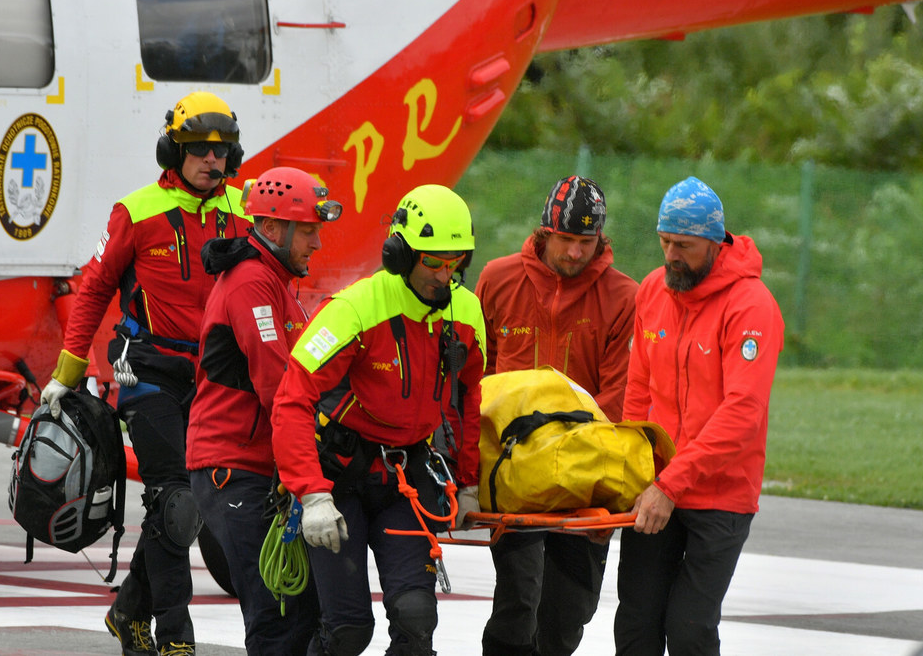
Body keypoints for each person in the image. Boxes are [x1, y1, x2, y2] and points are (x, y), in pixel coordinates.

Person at [39, 91, 248, 656]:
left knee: (188, 504)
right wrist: (68, 370)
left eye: (222, 151)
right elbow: (92, 291)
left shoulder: (245, 219)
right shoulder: (135, 212)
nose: (212, 161)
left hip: (213, 379)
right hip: (145, 371)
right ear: (171, 150)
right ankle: (176, 637)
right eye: (199, 150)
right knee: (176, 499)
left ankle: (129, 608)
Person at [270, 184, 486, 656]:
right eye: (433, 262)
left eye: (456, 262)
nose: (445, 274)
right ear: (399, 254)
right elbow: (292, 397)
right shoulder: (353, 309)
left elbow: (469, 399)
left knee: (416, 620)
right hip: (339, 481)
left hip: (406, 481)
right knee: (347, 631)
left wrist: (468, 482)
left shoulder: (467, 312)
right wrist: (311, 492)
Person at [614, 176, 784, 656]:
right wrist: (633, 470)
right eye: (664, 242)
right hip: (656, 487)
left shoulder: (752, 307)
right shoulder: (652, 290)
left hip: (720, 495)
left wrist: (672, 484)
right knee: (636, 628)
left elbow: (742, 413)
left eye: (684, 246)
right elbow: (638, 390)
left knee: (689, 630)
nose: (671, 255)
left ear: (714, 242)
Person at [474, 175, 638, 656]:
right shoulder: (497, 279)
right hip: (516, 474)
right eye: (565, 240)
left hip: (585, 477)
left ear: (599, 240)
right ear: (545, 232)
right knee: (518, 600)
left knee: (569, 613)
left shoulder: (623, 296)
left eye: (585, 242)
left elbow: (619, 395)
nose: (573, 253)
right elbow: (478, 378)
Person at [187, 166, 341, 654]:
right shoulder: (254, 283)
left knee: (301, 611)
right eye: (309, 230)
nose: (316, 244)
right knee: (277, 615)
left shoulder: (273, 280)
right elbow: (278, 387)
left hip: (258, 465)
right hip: (233, 467)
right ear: (272, 229)